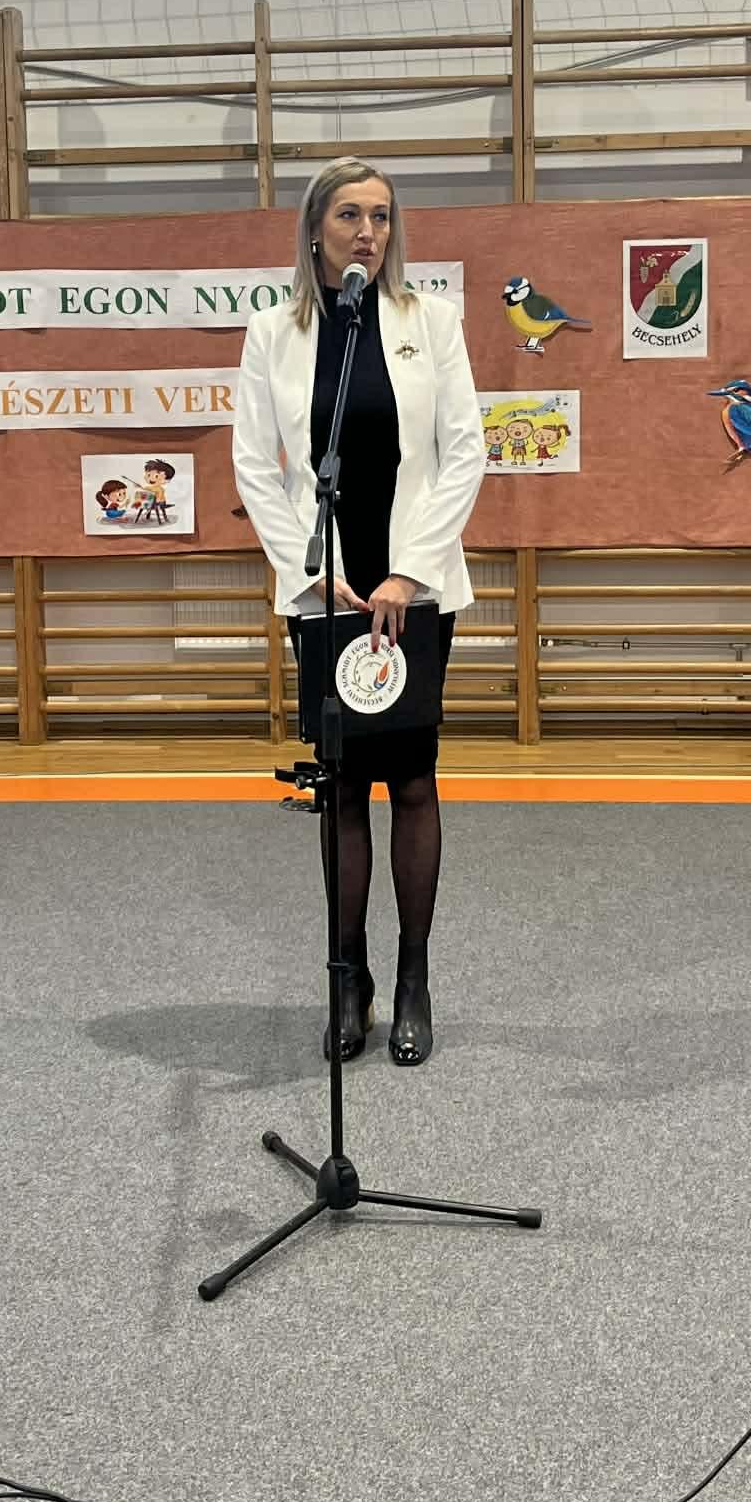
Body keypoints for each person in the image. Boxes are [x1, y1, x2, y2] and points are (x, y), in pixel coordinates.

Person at [232, 155, 484, 1068]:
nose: (368, 232)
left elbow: (466, 452)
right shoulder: (273, 333)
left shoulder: (433, 322)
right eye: (349, 215)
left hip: (411, 591)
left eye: (380, 216)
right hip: (326, 590)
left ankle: (413, 977)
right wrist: (312, 572)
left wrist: (409, 574)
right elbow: (255, 465)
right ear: (316, 229)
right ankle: (350, 978)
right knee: (341, 786)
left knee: (411, 781)